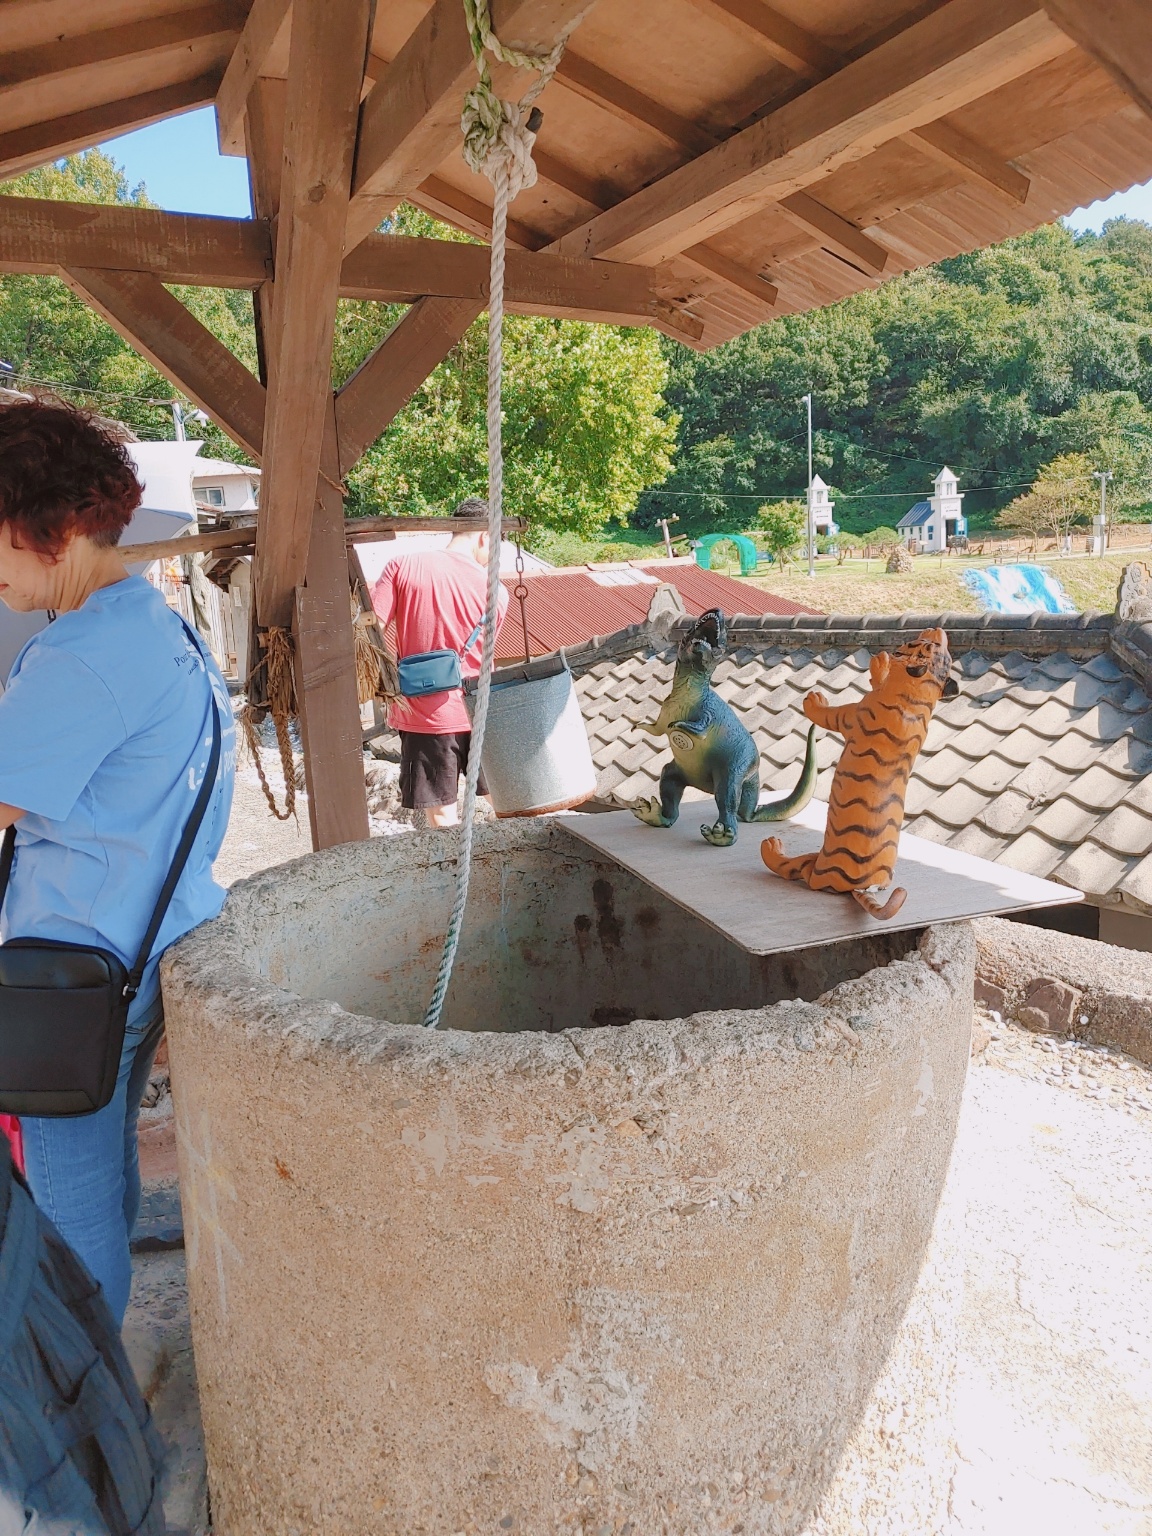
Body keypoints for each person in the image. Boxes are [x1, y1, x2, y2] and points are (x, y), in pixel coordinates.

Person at [0, 401, 235, 1326]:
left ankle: (89, 1435)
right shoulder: (155, 622)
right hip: (143, 947)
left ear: (46, 533)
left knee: (66, 1211)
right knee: (101, 1178)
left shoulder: (79, 657)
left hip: (73, 977)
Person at [371, 498, 508, 827]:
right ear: (483, 536)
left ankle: (456, 876)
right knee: (505, 801)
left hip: (424, 714)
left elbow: (369, 633)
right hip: (480, 709)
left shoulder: (402, 566)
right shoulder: (497, 592)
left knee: (442, 813)